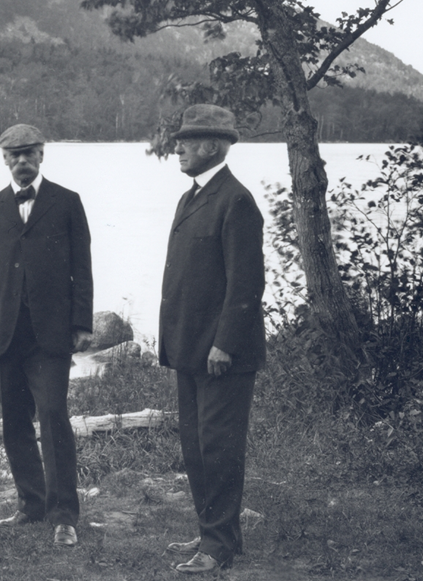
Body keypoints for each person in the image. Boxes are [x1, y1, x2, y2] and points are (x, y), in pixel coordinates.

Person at [0, 123, 94, 547]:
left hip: (50, 335)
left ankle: (63, 515)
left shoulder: (67, 202)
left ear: (42, 155)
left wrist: (81, 324)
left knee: (54, 417)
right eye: (13, 154)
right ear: (4, 159)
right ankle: (30, 504)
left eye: (29, 153)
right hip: (4, 335)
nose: (22, 160)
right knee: (14, 422)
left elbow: (83, 269)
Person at [157, 104, 266, 574]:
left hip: (221, 353)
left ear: (214, 146)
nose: (176, 146)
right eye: (179, 138)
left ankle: (218, 547)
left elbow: (246, 284)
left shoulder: (236, 200)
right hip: (189, 347)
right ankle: (213, 533)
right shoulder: (192, 197)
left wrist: (225, 342)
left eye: (187, 139)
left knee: (219, 448)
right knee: (196, 447)